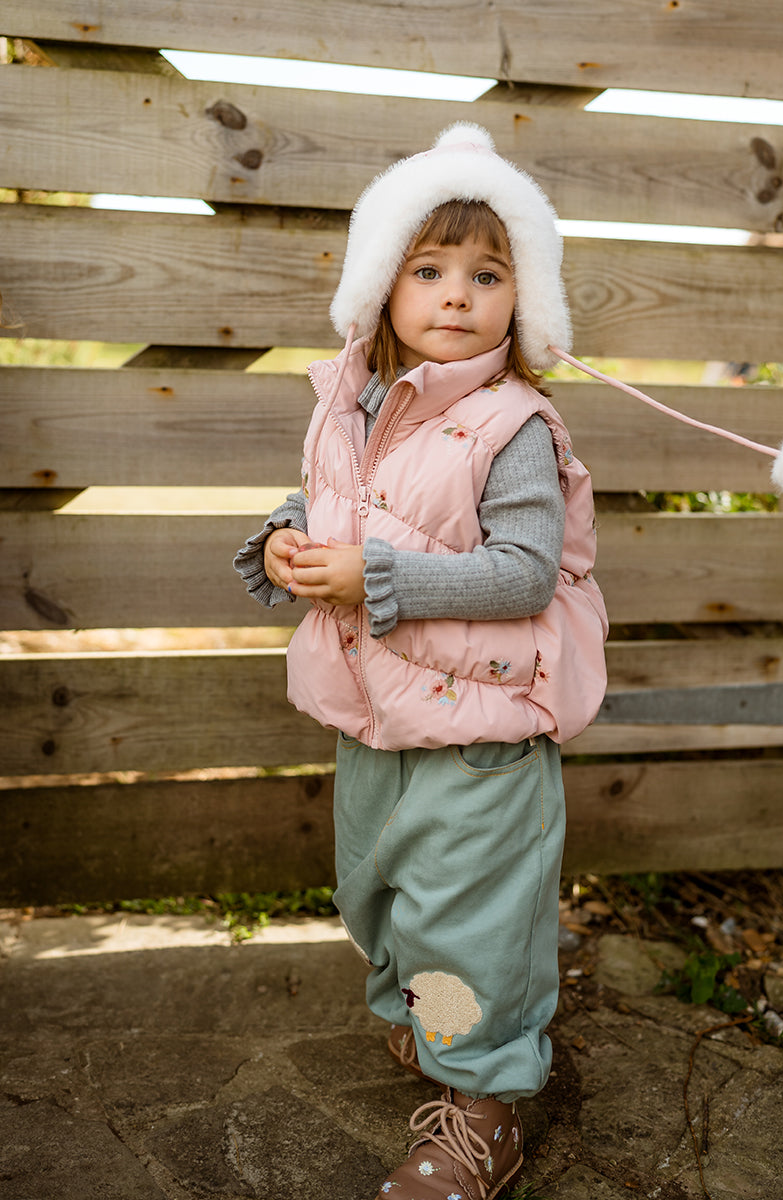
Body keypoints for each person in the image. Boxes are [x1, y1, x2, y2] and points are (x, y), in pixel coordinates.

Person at [235, 122, 609, 1199]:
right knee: (379, 897)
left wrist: (376, 575)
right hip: (377, 721)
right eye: (430, 270)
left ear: (522, 298)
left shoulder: (512, 426)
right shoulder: (350, 401)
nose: (457, 296)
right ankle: (434, 1020)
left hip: (481, 735)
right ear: (381, 287)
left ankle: (484, 1098)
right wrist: (289, 538)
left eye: (487, 275)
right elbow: (331, 500)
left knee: (465, 923)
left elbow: (525, 573)